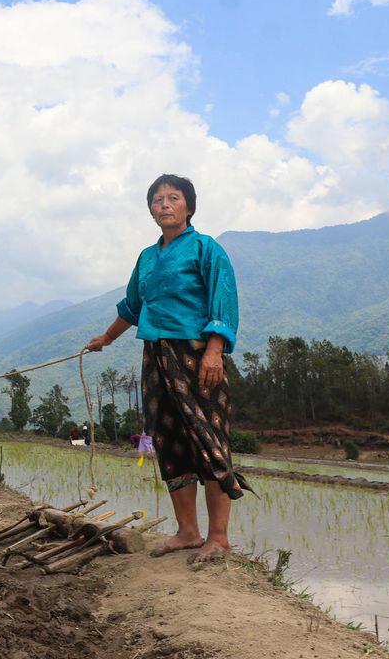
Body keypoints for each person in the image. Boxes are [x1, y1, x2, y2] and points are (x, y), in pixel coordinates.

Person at [84, 174, 246, 563]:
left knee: (208, 442)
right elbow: (132, 307)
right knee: (169, 442)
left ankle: (218, 538)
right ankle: (188, 532)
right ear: (150, 209)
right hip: (155, 357)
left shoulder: (207, 250)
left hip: (196, 355)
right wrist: (106, 338)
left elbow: (223, 303)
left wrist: (214, 351)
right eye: (158, 199)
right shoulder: (146, 257)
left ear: (189, 207)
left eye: (174, 198)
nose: (165, 205)